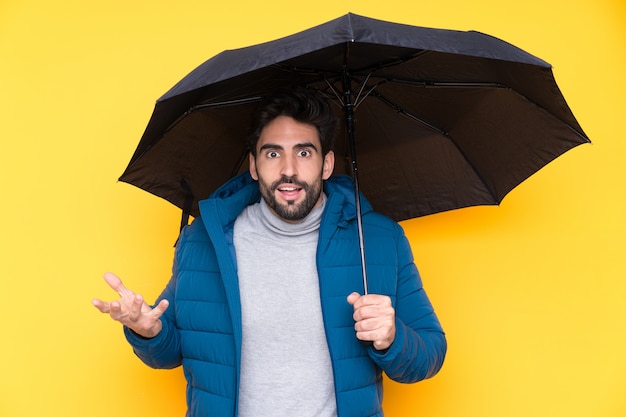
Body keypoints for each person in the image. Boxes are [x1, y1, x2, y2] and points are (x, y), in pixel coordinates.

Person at [92, 88, 446, 417]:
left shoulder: (380, 240)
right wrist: (147, 331)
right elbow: (173, 352)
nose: (288, 170)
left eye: (304, 152)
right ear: (253, 165)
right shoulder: (205, 240)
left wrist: (392, 338)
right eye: (273, 153)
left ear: (326, 164)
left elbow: (430, 354)